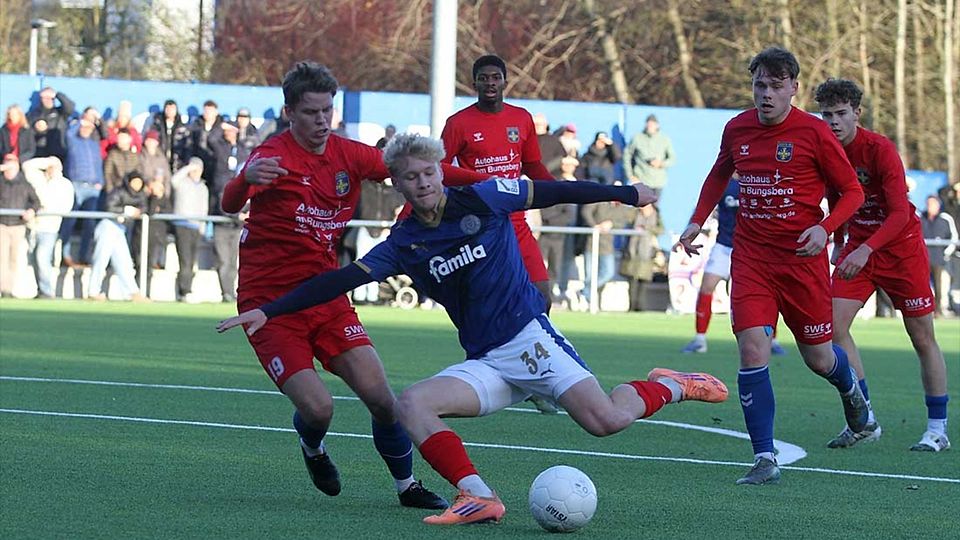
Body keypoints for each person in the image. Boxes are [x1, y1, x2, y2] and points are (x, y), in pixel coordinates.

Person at [217, 133, 729, 526]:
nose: (423, 182)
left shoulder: (485, 198)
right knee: (411, 403)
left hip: (531, 341)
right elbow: (343, 279)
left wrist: (623, 192)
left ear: (440, 171)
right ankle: (478, 496)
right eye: (411, 177)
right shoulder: (404, 242)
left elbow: (552, 191)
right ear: (396, 183)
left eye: (429, 172)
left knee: (607, 421)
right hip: (487, 358)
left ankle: (670, 384)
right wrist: (272, 308)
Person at [217, 61, 487, 509]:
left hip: (327, 296)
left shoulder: (348, 155)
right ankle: (312, 445)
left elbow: (418, 169)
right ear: (289, 113)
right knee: (319, 409)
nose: (322, 121)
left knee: (383, 400)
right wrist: (244, 181)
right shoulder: (273, 157)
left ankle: (407, 487)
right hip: (271, 306)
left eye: (328, 110)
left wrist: (490, 183)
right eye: (311, 112)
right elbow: (229, 204)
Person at [675, 47, 868, 485]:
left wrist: (825, 227)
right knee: (751, 349)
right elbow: (717, 176)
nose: (766, 95)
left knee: (819, 358)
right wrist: (694, 222)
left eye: (776, 87)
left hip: (802, 263)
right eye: (759, 85)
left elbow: (852, 192)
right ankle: (765, 457)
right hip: (752, 260)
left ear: (793, 89)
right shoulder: (737, 128)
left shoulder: (815, 133)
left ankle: (851, 388)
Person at [814, 78, 951, 452]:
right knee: (830, 326)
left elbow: (897, 215)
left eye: (840, 114)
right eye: (826, 115)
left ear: (857, 113)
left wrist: (865, 250)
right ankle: (865, 419)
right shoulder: (825, 149)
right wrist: (841, 244)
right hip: (860, 247)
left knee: (922, 337)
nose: (833, 122)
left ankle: (937, 429)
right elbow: (836, 202)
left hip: (900, 248)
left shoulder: (880, 149)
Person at [439, 54, 556, 311]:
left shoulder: (522, 118)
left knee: (542, 297)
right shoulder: (458, 123)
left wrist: (560, 190)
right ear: (474, 84)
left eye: (495, 78)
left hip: (515, 220)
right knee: (488, 303)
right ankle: (489, 350)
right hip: (480, 223)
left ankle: (534, 348)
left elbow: (532, 165)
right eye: (483, 79)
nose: (490, 83)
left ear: (505, 82)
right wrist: (486, 182)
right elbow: (439, 170)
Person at [680, 177, 785, 355]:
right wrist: (691, 230)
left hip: (751, 247)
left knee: (764, 293)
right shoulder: (724, 183)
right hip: (724, 245)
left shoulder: (756, 182)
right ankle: (700, 340)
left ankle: (772, 340)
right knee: (707, 286)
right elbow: (705, 206)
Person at [87, 170, 148, 302]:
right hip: (108, 226)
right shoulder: (118, 191)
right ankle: (93, 291)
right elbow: (109, 207)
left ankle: (132, 292)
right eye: (135, 182)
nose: (137, 185)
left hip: (120, 229)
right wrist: (126, 210)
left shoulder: (141, 195)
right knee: (101, 259)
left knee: (124, 261)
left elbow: (144, 207)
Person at [21, 157, 74, 298]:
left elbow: (66, 207)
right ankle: (41, 289)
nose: (51, 170)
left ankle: (47, 290)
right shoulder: (40, 179)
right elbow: (27, 165)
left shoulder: (65, 184)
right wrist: (47, 161)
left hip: (50, 227)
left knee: (42, 257)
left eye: (54, 167)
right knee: (34, 259)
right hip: (34, 227)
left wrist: (46, 208)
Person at [580, 184, 638, 307]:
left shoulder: (621, 207)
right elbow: (586, 211)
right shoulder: (599, 199)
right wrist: (594, 225)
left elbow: (625, 220)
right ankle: (588, 299)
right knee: (589, 274)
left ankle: (585, 291)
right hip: (591, 243)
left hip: (607, 246)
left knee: (608, 272)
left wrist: (611, 224)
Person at [61, 118, 105, 266]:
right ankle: (65, 255)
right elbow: (68, 133)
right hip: (76, 185)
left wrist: (100, 182)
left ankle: (83, 256)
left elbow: (98, 164)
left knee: (89, 223)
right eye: (83, 128)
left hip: (93, 188)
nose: (85, 130)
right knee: (70, 220)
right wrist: (82, 121)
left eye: (88, 128)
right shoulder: (73, 141)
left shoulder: (94, 145)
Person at [538, 156, 578, 307]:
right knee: (541, 265)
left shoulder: (573, 183)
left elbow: (568, 213)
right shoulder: (554, 183)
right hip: (546, 233)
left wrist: (553, 219)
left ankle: (552, 295)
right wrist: (552, 218)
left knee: (556, 266)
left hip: (559, 235)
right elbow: (545, 208)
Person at [0, 154, 39, 298]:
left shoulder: (24, 184)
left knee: (14, 258)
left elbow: (36, 202)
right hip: (2, 225)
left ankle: (10, 288)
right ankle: (4, 289)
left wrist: (31, 210)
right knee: (1, 258)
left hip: (18, 225)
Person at [170, 157, 209, 303]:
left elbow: (204, 208)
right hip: (182, 224)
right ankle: (183, 291)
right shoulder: (182, 183)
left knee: (192, 261)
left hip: (196, 226)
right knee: (185, 259)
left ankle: (188, 288)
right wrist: (187, 168)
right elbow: (173, 181)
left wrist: (202, 227)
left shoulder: (203, 187)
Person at [920, 195, 958, 318]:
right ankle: (923, 310)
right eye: (929, 204)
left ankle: (938, 310)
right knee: (923, 286)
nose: (931, 207)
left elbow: (953, 238)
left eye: (933, 204)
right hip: (923, 259)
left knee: (939, 286)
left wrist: (945, 254)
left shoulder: (945, 219)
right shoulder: (921, 218)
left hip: (939, 260)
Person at [625, 114, 675, 195]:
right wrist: (630, 175)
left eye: (652, 124)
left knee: (654, 207)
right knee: (641, 207)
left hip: (658, 181)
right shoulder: (637, 138)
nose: (649, 126)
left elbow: (672, 158)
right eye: (648, 124)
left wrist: (661, 163)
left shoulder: (664, 139)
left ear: (657, 125)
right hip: (642, 180)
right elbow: (627, 156)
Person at [27, 87, 75, 163]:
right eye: (45, 98)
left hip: (58, 153)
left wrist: (57, 94)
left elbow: (70, 107)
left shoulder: (60, 112)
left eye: (51, 98)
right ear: (41, 99)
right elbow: (26, 133)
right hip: (39, 152)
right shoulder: (33, 114)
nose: (48, 101)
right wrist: (36, 129)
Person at [143, 99, 191, 173]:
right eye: (167, 109)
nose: (170, 111)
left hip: (177, 162)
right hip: (159, 159)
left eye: (172, 109)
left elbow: (187, 146)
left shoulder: (182, 127)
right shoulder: (157, 125)